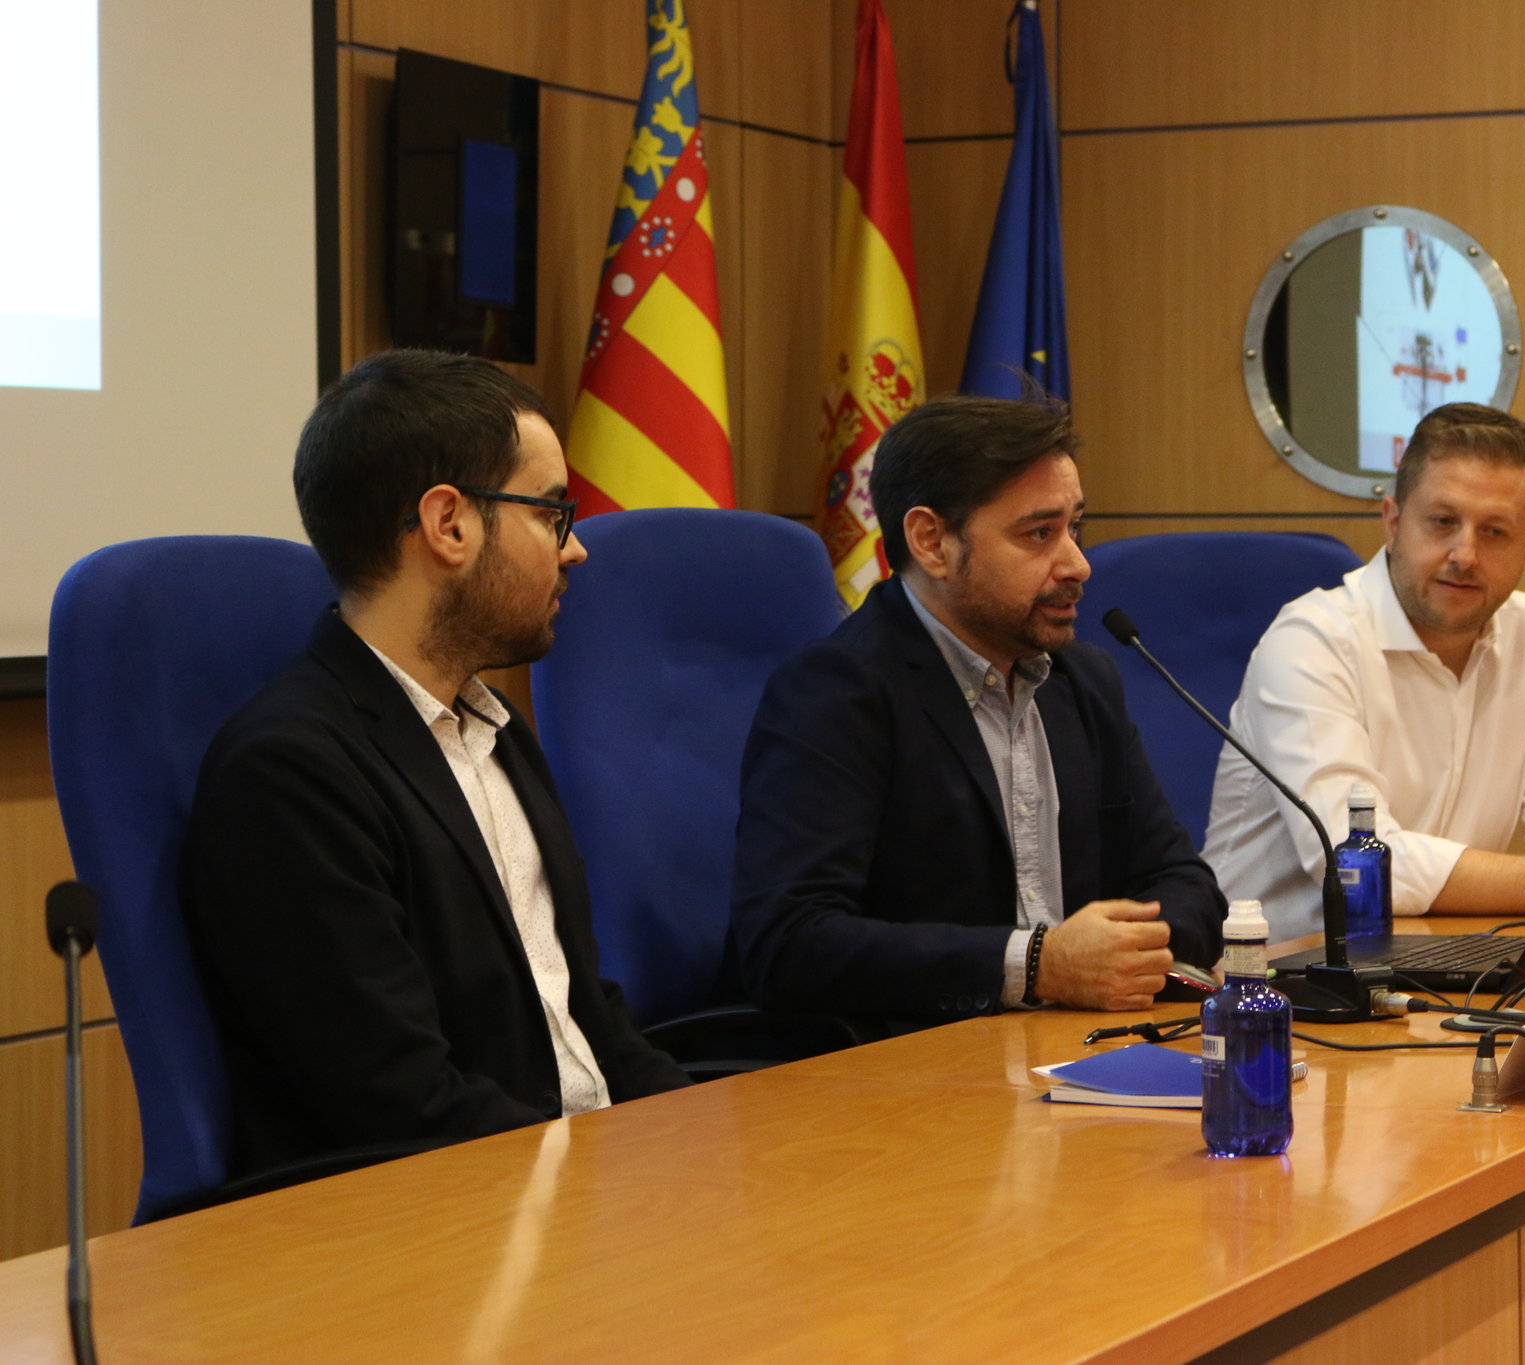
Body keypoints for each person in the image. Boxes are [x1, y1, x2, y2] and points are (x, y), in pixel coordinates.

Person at [182, 349, 687, 1186]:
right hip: (450, 1215)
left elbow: (586, 1018)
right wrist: (612, 1186)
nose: (575, 551)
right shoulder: (290, 771)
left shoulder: (496, 730)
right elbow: (398, 1103)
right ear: (450, 524)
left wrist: (708, 1141)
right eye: (551, 512)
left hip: (579, 1182)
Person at [729, 393, 1225, 1026]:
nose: (1078, 564)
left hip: (1079, 1042)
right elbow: (788, 944)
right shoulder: (838, 690)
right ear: (932, 541)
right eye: (1039, 534)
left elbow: (1186, 885)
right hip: (914, 1062)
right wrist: (1037, 965)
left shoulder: (1082, 680)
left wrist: (1121, 954)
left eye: (1075, 527)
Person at [1202, 403, 1525, 942]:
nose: (1464, 554)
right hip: (1274, 971)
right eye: (1442, 522)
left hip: (1440, 957)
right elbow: (1358, 866)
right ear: (1393, 522)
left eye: (1495, 532)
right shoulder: (1311, 641)